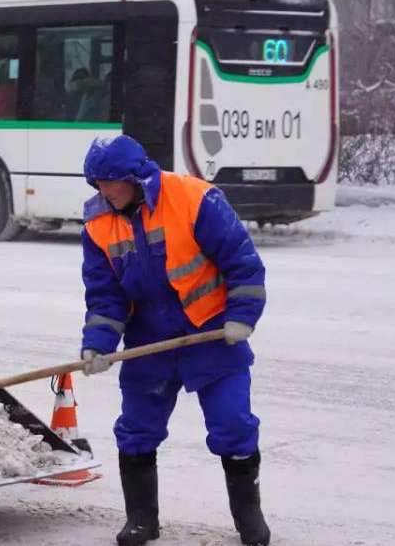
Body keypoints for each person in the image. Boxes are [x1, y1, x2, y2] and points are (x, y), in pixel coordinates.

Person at [78, 135, 269, 546]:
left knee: (233, 424)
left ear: (134, 177)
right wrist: (98, 344)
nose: (104, 192)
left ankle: (249, 517)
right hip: (149, 340)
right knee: (136, 429)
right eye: (97, 184)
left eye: (110, 183)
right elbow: (105, 296)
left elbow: (243, 262)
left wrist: (242, 316)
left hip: (211, 332)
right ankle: (141, 519)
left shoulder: (194, 199)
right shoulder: (97, 225)